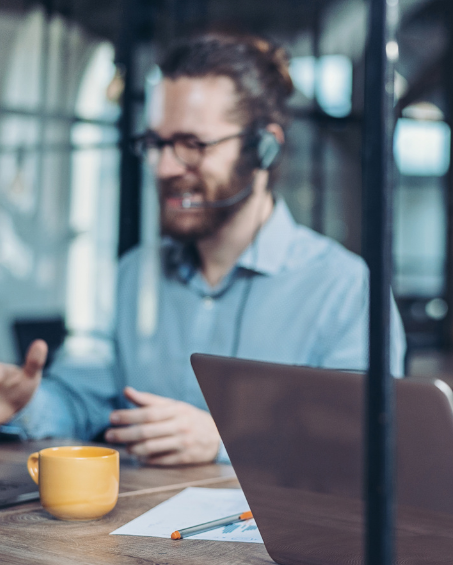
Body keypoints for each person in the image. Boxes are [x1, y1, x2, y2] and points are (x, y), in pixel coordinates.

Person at [0, 33, 406, 465]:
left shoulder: (342, 287)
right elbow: (84, 401)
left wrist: (226, 442)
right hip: (135, 531)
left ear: (264, 148)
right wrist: (25, 403)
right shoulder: (133, 275)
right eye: (157, 144)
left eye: (193, 145)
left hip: (277, 534)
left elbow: (363, 444)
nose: (167, 167)